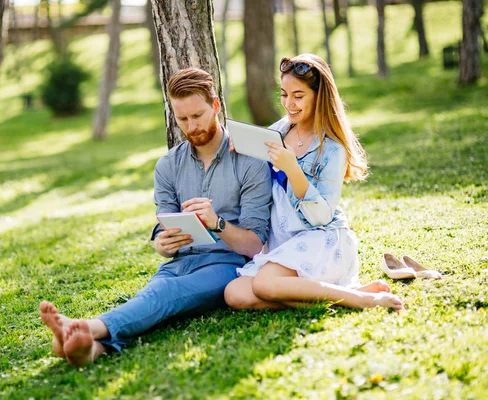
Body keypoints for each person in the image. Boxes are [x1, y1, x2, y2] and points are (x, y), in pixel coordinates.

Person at [40, 67, 273, 366]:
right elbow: (161, 229)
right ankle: (90, 350)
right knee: (154, 299)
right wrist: (162, 245)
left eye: (198, 115)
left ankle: (86, 326)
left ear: (216, 105)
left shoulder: (249, 163)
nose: (192, 126)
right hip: (178, 263)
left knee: (165, 293)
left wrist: (218, 223)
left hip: (227, 265)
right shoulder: (168, 166)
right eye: (182, 119)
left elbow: (254, 245)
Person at [224, 54, 404, 312]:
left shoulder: (332, 148)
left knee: (264, 284)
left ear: (319, 97)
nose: (289, 104)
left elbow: (320, 216)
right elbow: (257, 155)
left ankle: (361, 300)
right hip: (283, 242)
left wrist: (292, 169)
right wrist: (241, 144)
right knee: (235, 293)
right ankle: (343, 293)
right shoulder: (281, 129)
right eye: (284, 94)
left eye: (298, 96)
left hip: (321, 240)